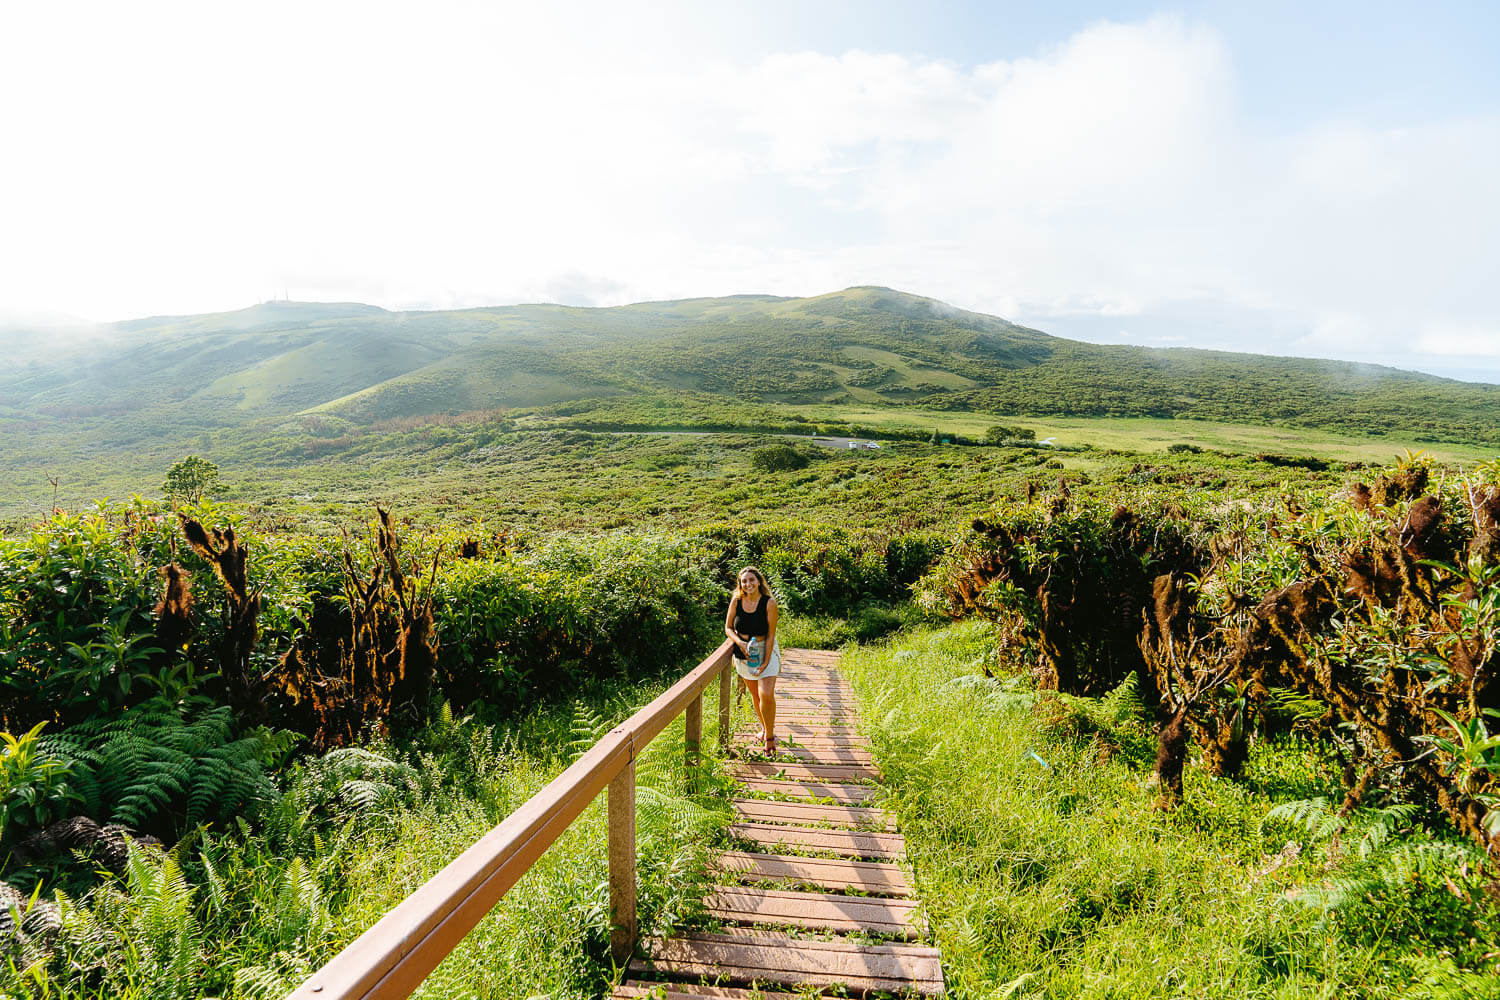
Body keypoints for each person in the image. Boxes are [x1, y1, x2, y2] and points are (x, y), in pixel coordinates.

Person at [725, 565, 780, 755]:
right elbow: (728, 628)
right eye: (744, 581)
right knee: (756, 696)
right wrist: (740, 643)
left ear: (758, 581)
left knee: (766, 694)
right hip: (744, 653)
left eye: (751, 580)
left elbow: (771, 635)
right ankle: (764, 728)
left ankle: (770, 738)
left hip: (766, 649)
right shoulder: (736, 601)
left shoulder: (769, 603)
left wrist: (765, 661)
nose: (748, 584)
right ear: (740, 584)